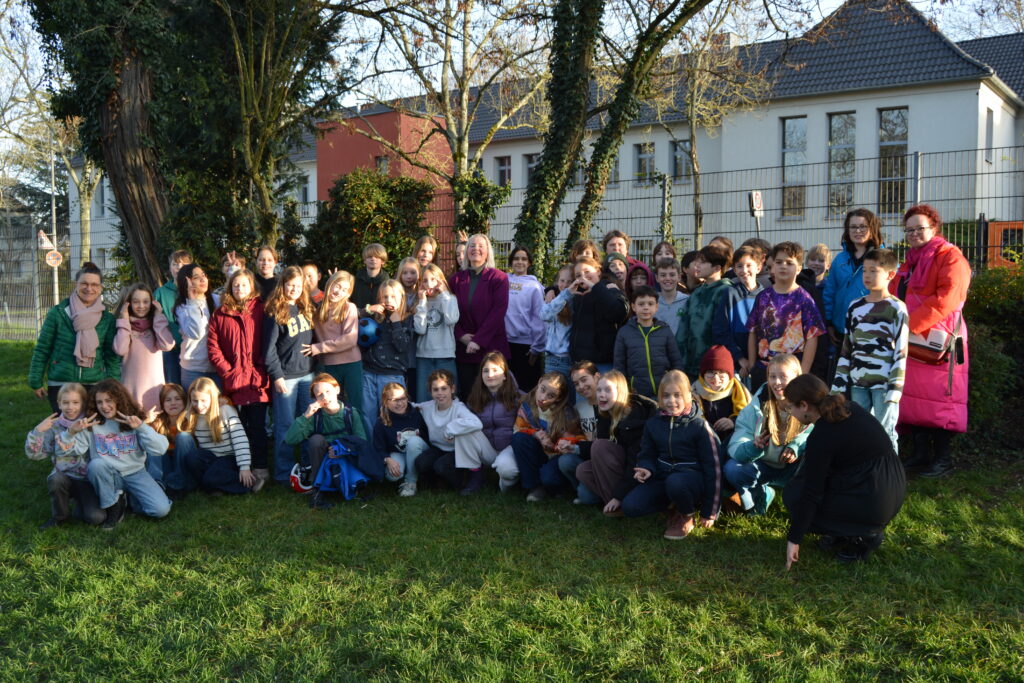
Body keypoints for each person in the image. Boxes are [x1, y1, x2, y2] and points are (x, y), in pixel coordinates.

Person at [783, 374, 906, 567]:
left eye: (791, 407)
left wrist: (794, 539)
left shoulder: (821, 436)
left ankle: (863, 536)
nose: (790, 412)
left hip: (875, 500)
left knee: (794, 496)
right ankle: (845, 531)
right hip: (893, 485)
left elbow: (812, 492)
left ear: (804, 405)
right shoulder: (850, 408)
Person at [889, 203, 970, 478]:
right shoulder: (910, 261)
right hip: (913, 338)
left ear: (934, 228)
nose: (914, 234)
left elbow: (948, 297)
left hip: (940, 339)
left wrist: (909, 325)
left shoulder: (951, 257)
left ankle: (943, 459)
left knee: (942, 398)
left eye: (919, 228)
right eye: (909, 229)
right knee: (915, 398)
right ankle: (921, 454)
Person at [624, 370, 723, 540]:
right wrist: (646, 467)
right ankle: (672, 505)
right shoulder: (653, 424)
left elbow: (714, 470)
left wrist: (710, 511)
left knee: (676, 483)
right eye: (666, 396)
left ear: (688, 396)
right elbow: (647, 453)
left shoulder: (700, 426)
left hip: (692, 479)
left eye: (677, 395)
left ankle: (687, 514)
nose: (671, 401)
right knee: (630, 507)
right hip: (663, 476)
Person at [830, 248, 908, 451]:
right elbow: (847, 348)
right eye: (865, 270)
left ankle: (890, 470)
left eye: (874, 271)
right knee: (859, 430)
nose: (867, 275)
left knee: (885, 432)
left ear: (890, 274)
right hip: (858, 382)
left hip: (884, 385)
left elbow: (901, 351)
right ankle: (864, 468)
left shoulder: (897, 308)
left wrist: (895, 389)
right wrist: (838, 384)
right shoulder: (854, 307)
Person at [72, 379, 172, 530]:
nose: (104, 406)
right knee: (96, 465)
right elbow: (75, 450)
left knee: (160, 510)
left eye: (109, 400)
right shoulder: (92, 424)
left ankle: (129, 499)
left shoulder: (133, 420)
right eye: (99, 402)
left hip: (136, 473)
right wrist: (71, 433)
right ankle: (114, 507)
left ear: (119, 399)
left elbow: (160, 449)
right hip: (108, 476)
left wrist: (141, 427)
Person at [207, 268, 272, 490]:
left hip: (256, 380)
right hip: (234, 382)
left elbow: (270, 338)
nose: (239, 288)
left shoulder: (262, 309)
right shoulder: (220, 314)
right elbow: (213, 347)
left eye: (244, 284)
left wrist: (262, 365)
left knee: (258, 426)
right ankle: (240, 469)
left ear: (252, 286)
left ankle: (260, 467)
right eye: (235, 285)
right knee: (237, 427)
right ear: (230, 288)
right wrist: (228, 371)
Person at [724, 353, 811, 515]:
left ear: (797, 378)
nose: (776, 382)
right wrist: (753, 447)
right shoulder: (756, 406)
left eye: (783, 376)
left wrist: (796, 446)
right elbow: (736, 445)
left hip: (794, 469)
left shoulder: (808, 404)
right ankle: (760, 494)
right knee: (732, 469)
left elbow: (815, 431)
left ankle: (806, 508)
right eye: (772, 376)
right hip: (762, 466)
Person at [29, 262, 120, 413]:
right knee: (64, 426)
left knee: (91, 425)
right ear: (76, 284)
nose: (89, 288)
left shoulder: (107, 319)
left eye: (94, 284)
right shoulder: (58, 313)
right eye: (84, 283)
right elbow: (43, 349)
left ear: (100, 288)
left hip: (94, 383)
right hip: (60, 383)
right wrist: (35, 380)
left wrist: (113, 385)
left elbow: (111, 357)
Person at [574, 370, 658, 515]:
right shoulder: (605, 414)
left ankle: (617, 502)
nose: (601, 395)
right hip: (618, 467)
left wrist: (618, 496)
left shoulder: (634, 416)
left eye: (608, 390)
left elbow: (635, 461)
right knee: (583, 470)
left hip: (639, 473)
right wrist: (574, 448)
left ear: (620, 392)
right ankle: (615, 503)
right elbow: (599, 452)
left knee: (600, 446)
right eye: (599, 390)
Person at [263, 266, 317, 484]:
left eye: (298, 285)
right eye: (290, 285)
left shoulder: (306, 308)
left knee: (307, 422)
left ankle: (307, 465)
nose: (294, 289)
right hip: (286, 377)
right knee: (285, 425)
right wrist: (277, 376)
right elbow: (269, 350)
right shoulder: (276, 311)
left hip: (307, 375)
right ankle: (284, 472)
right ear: (282, 285)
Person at [24, 383, 104, 528]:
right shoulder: (53, 426)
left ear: (83, 403)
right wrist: (38, 431)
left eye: (75, 402)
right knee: (56, 479)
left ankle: (80, 502)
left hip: (87, 479)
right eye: (65, 402)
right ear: (59, 404)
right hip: (64, 475)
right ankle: (59, 516)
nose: (70, 407)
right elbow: (35, 455)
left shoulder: (92, 424)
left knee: (96, 518)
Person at [746, 242, 825, 388]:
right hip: (764, 369)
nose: (783, 266)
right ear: (772, 267)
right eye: (779, 262)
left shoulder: (805, 299)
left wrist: (802, 373)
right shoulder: (762, 297)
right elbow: (752, 331)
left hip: (791, 372)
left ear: (799, 268)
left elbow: (812, 337)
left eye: (789, 263)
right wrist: (752, 365)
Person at [285, 373, 373, 504]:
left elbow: (361, 441)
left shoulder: (350, 413)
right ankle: (318, 486)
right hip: (324, 457)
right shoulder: (315, 416)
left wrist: (342, 450)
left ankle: (351, 480)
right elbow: (290, 439)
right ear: (315, 398)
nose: (325, 397)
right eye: (319, 394)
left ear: (337, 390)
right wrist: (306, 416)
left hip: (346, 455)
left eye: (328, 391)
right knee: (315, 440)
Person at [449, 233, 511, 399]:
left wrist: (478, 340)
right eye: (472, 245)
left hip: (491, 348)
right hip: (464, 351)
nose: (476, 249)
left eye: (480, 246)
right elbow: (448, 312)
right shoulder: (455, 280)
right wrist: (461, 335)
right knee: (468, 397)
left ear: (488, 251)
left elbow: (498, 311)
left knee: (494, 399)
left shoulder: (499, 278)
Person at [176, 377, 255, 495]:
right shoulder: (192, 415)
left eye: (203, 400)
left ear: (213, 398)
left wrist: (244, 467)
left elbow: (240, 439)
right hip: (210, 457)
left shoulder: (225, 410)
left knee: (211, 478)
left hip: (229, 457)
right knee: (192, 458)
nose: (199, 405)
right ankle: (215, 485)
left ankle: (249, 484)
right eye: (195, 401)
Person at [823, 209, 883, 364]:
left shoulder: (883, 258)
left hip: (871, 330)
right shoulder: (840, 259)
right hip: (841, 329)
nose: (857, 231)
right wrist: (829, 322)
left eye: (863, 226)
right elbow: (829, 292)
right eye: (853, 227)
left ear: (872, 229)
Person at [511, 371, 582, 501]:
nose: (543, 397)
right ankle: (534, 486)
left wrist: (560, 444)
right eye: (542, 390)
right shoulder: (527, 405)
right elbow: (518, 429)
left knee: (549, 478)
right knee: (519, 438)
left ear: (558, 398)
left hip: (556, 456)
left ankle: (556, 487)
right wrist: (535, 434)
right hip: (538, 452)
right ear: (539, 383)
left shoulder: (567, 414)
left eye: (551, 395)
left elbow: (577, 439)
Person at [414, 369, 487, 492]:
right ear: (430, 392)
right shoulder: (427, 407)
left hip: (456, 450)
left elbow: (477, 423)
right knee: (421, 463)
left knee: (441, 466)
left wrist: (451, 428)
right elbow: (411, 406)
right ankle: (438, 482)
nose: (440, 393)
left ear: (452, 389)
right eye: (435, 390)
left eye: (444, 388)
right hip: (438, 448)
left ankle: (461, 481)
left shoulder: (458, 408)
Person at [465, 353, 525, 492]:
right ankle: (475, 475)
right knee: (463, 432)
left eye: (495, 370)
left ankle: (506, 484)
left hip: (509, 448)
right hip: (487, 449)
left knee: (507, 472)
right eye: (485, 371)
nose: (490, 375)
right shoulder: (475, 397)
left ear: (505, 375)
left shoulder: (518, 397)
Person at [305, 270, 363, 413]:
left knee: (355, 407)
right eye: (337, 286)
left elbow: (350, 339)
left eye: (344, 290)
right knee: (330, 407)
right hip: (328, 365)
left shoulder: (349, 308)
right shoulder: (316, 310)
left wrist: (318, 348)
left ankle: (358, 429)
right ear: (330, 284)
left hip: (351, 364)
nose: (339, 292)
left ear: (348, 293)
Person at [613, 286, 683, 400]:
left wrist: (677, 383)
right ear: (633, 307)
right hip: (637, 393)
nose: (646, 307)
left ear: (656, 307)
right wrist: (625, 389)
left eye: (650, 304)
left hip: (664, 391)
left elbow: (676, 360)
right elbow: (619, 365)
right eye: (641, 304)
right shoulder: (624, 332)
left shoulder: (664, 330)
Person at [113, 282, 175, 411]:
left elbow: (167, 345)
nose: (141, 306)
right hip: (130, 390)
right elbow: (120, 349)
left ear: (152, 303)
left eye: (146, 302)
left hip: (154, 389)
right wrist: (124, 320)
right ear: (129, 303)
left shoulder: (156, 325)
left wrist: (158, 316)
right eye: (136, 302)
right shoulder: (124, 326)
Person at [361, 279, 414, 421]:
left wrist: (396, 323)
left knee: (393, 414)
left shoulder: (407, 319)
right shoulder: (375, 317)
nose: (389, 300)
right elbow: (356, 317)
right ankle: (371, 437)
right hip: (369, 372)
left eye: (393, 296)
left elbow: (402, 346)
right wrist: (369, 310)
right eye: (385, 297)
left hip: (392, 375)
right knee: (367, 414)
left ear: (401, 298)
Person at [677, 245, 733, 379]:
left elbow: (724, 331)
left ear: (717, 268)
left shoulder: (726, 291)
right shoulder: (697, 292)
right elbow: (683, 327)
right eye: (697, 261)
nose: (697, 265)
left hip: (714, 368)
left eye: (702, 262)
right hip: (690, 364)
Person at [567, 256, 629, 374]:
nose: (583, 277)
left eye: (587, 272)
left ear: (598, 271)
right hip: (580, 364)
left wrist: (596, 288)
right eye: (578, 275)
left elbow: (619, 312)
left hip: (603, 363)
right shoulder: (577, 294)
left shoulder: (609, 287)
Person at [712, 245, 765, 378]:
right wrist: (740, 359)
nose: (744, 270)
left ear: (758, 268)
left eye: (749, 265)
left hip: (762, 363)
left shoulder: (767, 296)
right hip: (736, 364)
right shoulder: (730, 294)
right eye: (740, 266)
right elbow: (720, 331)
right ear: (734, 270)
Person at [373, 382, 431, 497]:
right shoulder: (382, 422)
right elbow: (378, 447)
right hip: (399, 452)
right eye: (395, 400)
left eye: (403, 398)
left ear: (407, 398)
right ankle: (407, 471)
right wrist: (388, 459)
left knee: (413, 441)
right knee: (393, 476)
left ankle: (411, 482)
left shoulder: (417, 414)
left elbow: (426, 438)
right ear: (386, 402)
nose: (400, 403)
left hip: (419, 450)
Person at [412, 263, 459, 403]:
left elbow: (451, 319)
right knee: (423, 399)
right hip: (424, 357)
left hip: (445, 356)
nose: (429, 284)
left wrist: (444, 294)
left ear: (441, 281)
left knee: (448, 399)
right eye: (425, 280)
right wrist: (422, 303)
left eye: (433, 279)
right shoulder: (420, 302)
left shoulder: (450, 299)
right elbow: (420, 329)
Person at [505, 245, 546, 392]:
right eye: (516, 258)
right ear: (511, 262)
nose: (520, 262)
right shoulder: (503, 280)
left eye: (524, 259)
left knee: (526, 389)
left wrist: (536, 348)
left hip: (526, 347)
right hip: (505, 343)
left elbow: (539, 318)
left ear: (529, 263)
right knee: (507, 389)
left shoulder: (535, 286)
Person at [692, 345, 751, 447]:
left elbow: (750, 418)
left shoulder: (739, 391)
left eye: (721, 372)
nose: (716, 378)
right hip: (703, 442)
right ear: (703, 374)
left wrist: (733, 422)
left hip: (733, 441)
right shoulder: (693, 392)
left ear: (729, 375)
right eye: (711, 372)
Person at [174, 264, 221, 391]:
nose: (202, 279)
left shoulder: (217, 300)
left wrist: (233, 270)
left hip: (217, 366)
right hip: (193, 369)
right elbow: (196, 332)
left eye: (203, 275)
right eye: (196, 277)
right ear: (187, 282)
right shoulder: (183, 307)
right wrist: (193, 302)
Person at [153, 249, 192, 386]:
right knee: (173, 388)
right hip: (170, 351)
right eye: (175, 264)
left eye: (183, 264)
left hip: (192, 351)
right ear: (170, 267)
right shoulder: (161, 292)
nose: (178, 268)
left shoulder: (195, 291)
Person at [539, 264, 575, 390]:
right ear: (557, 282)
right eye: (562, 281)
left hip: (570, 360)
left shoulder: (576, 301)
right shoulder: (555, 299)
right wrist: (563, 295)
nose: (565, 285)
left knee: (570, 398)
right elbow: (544, 315)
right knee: (551, 396)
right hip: (552, 360)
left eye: (569, 281)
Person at [148, 383, 188, 495]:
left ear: (184, 401)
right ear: (162, 404)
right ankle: (157, 484)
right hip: (166, 466)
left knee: (184, 437)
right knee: (153, 439)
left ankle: (178, 485)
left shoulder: (190, 420)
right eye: (168, 400)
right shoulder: (158, 423)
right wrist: (146, 420)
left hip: (184, 466)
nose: (173, 403)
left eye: (177, 399)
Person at [654, 258, 687, 336]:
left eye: (672, 275)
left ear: (679, 277)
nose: (668, 278)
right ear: (657, 278)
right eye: (663, 275)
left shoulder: (687, 301)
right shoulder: (651, 302)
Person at [352, 243, 390, 311]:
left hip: (380, 316)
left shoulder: (387, 283)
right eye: (370, 257)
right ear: (365, 260)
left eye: (377, 257)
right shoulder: (355, 280)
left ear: (382, 261)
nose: (373, 259)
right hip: (357, 315)